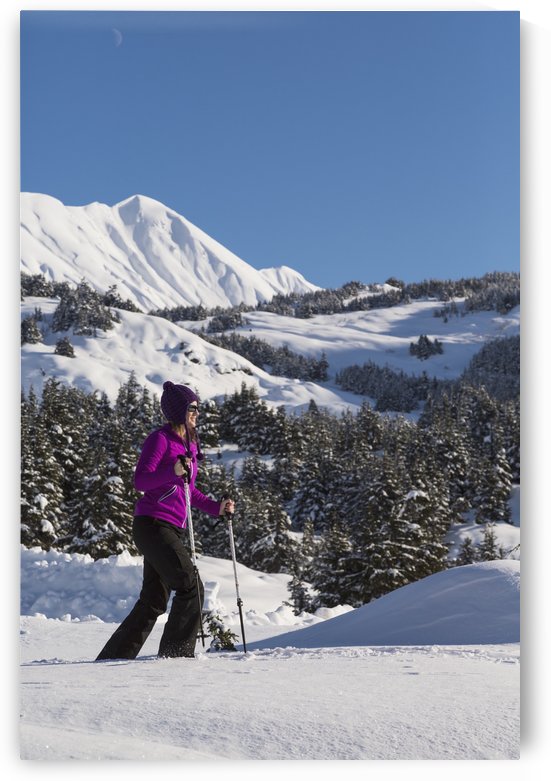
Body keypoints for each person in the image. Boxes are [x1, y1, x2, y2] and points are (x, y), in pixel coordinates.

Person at [96, 381, 234, 660]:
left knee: (154, 601)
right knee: (190, 586)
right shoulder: (159, 439)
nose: (197, 412)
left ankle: (113, 658)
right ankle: (175, 658)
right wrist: (172, 470)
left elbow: (188, 491)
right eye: (192, 407)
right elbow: (141, 480)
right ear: (178, 410)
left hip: (171, 527)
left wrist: (216, 508)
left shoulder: (188, 445)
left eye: (198, 407)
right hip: (152, 524)